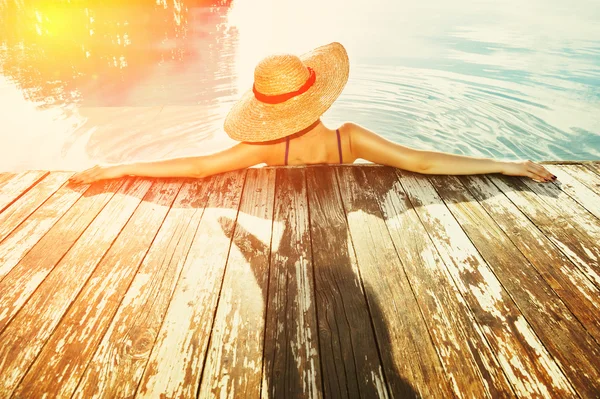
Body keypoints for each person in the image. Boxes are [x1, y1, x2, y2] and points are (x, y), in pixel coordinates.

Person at [70, 42, 556, 185]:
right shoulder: (349, 140)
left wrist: (119, 168)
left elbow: (196, 168)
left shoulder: (262, 149)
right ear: (318, 96)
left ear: (266, 109)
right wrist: (505, 163)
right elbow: (423, 162)